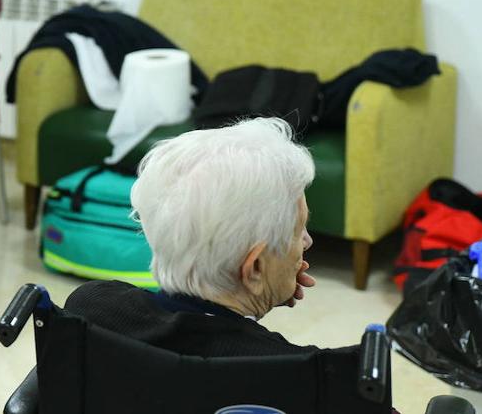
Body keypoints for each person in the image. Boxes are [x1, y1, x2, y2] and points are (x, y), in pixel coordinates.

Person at [65, 118, 319, 356]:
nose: (307, 241)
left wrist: (260, 286)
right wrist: (256, 290)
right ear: (253, 267)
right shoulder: (295, 369)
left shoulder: (89, 310)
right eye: (298, 231)